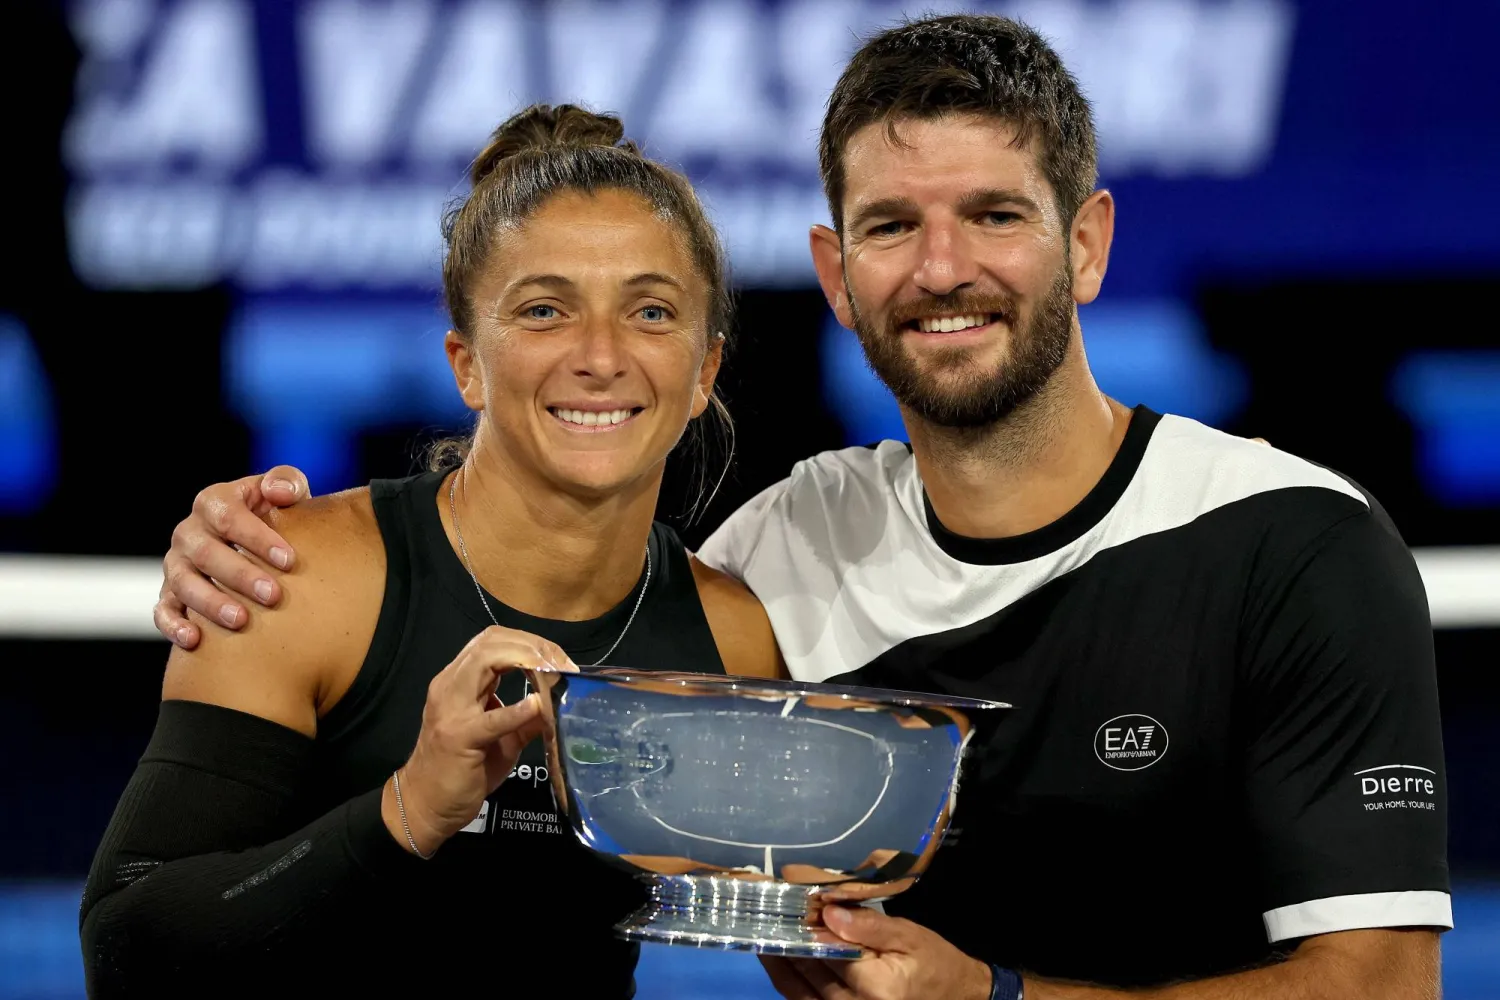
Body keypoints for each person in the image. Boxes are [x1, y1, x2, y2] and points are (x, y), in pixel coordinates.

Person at [151, 14, 1450, 1000]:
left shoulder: (1293, 541)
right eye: (890, 227)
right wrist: (248, 545)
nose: (942, 268)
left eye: (994, 214)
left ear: (1089, 243)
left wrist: (993, 999)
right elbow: (511, 569)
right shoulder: (767, 570)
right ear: (835, 272)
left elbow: (1386, 984)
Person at [80, 104, 782, 997]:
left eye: (650, 311)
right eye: (544, 311)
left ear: (704, 370)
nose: (602, 357)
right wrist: (407, 810)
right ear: (467, 364)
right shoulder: (297, 577)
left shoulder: (736, 645)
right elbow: (125, 953)